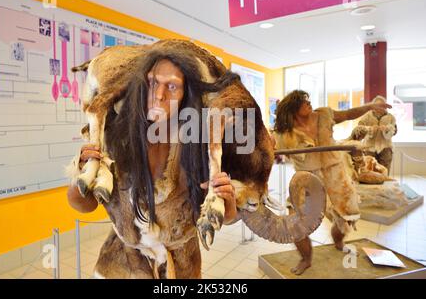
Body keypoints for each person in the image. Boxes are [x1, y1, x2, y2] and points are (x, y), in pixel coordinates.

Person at [66, 51, 238, 278]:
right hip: (123, 263)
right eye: (152, 83)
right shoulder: (115, 137)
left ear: (187, 95)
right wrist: (83, 173)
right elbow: (83, 205)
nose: (159, 95)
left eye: (172, 86)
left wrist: (228, 199)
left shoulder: (201, 145)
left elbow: (228, 216)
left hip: (182, 264)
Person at [273, 90, 391, 275]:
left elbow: (347, 114)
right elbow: (267, 149)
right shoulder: (283, 134)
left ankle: (338, 241)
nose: (309, 103)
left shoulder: (323, 115)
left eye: (308, 100)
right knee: (295, 224)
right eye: (304, 102)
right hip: (306, 180)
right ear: (293, 108)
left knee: (345, 219)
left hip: (336, 175)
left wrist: (369, 106)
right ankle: (306, 259)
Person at [351, 95, 397, 174]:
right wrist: (369, 129)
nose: (379, 108)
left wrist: (387, 129)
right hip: (369, 148)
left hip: (385, 148)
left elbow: (395, 131)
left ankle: (384, 186)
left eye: (382, 106)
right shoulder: (367, 116)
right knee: (368, 170)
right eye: (377, 106)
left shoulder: (391, 117)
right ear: (373, 106)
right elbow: (359, 129)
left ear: (385, 106)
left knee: (384, 171)